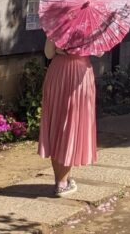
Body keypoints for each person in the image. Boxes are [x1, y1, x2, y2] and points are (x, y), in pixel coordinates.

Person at [38, 38, 97, 197]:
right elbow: (100, 51)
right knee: (70, 124)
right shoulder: (90, 22)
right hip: (80, 72)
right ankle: (62, 182)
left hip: (58, 71)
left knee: (56, 122)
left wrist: (60, 49)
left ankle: (61, 179)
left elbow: (48, 53)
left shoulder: (57, 19)